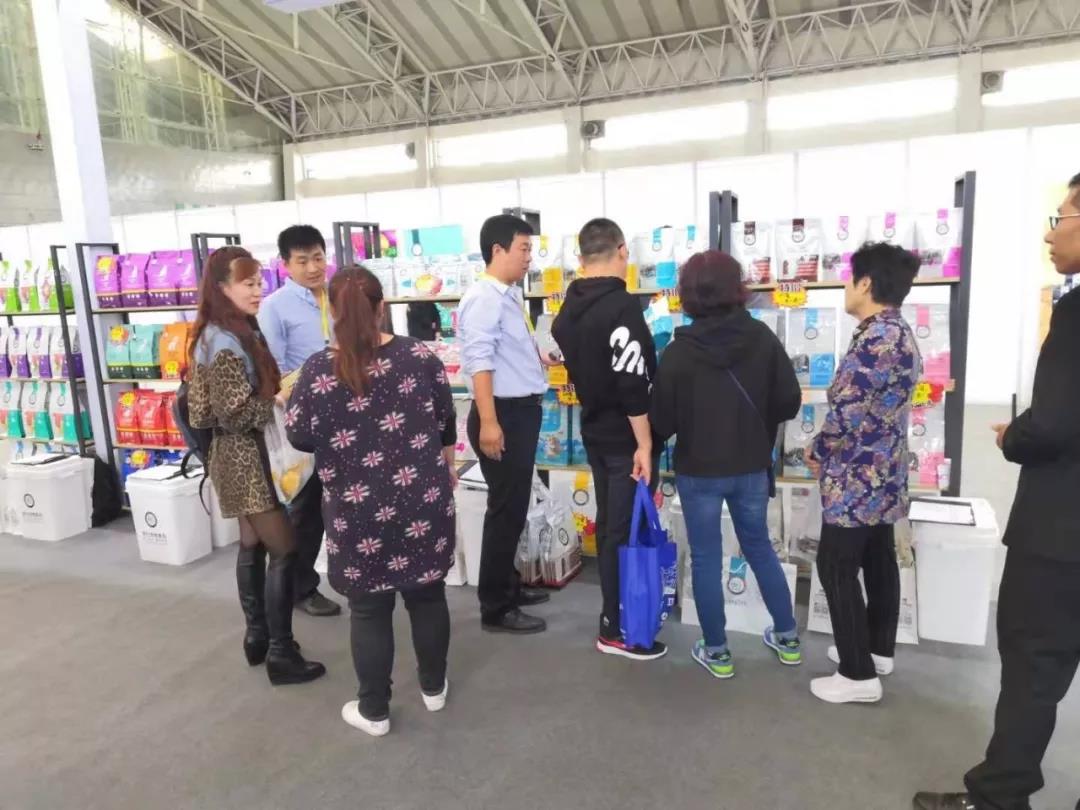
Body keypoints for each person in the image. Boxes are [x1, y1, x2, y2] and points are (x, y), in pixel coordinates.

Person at [914, 174, 1080, 809]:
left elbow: (1056, 423)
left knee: (1034, 668)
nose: (1050, 233)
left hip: (1062, 535)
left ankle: (999, 797)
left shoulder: (1076, 313)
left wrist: (1015, 435)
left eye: (1061, 217)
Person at [284, 265, 456, 737]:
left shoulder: (318, 371)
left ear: (331, 312)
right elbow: (445, 420)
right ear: (382, 308)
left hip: (357, 510)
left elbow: (299, 436)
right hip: (423, 500)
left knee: (369, 609)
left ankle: (374, 710)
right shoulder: (419, 357)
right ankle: (434, 688)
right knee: (428, 596)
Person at [650, 250, 803, 679]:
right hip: (751, 465)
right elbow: (789, 401)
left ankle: (716, 650)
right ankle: (788, 637)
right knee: (759, 547)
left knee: (705, 558)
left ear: (688, 293)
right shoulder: (762, 339)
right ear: (737, 288)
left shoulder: (678, 353)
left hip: (698, 471)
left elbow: (661, 421)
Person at [186, 246, 326, 686]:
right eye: (246, 283)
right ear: (221, 288)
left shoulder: (225, 331)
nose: (257, 291)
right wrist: (278, 398)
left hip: (235, 457)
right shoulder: (225, 341)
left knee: (252, 546)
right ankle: (281, 653)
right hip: (246, 458)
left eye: (258, 282)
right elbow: (233, 414)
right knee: (285, 550)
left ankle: (258, 637)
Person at [805, 242, 920, 705]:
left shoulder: (877, 339)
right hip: (884, 472)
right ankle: (875, 650)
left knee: (835, 565)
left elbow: (847, 410)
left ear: (866, 283)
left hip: (858, 476)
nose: (845, 287)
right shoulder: (898, 331)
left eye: (850, 278)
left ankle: (857, 674)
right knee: (877, 557)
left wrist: (817, 448)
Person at [551, 217, 665, 660]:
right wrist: (645, 444)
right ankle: (615, 628)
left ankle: (621, 615)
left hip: (595, 431)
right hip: (625, 439)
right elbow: (632, 382)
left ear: (581, 257)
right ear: (621, 251)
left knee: (612, 525)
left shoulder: (569, 309)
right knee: (622, 530)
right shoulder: (621, 307)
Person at [458, 214, 553, 634]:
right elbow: (479, 362)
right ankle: (495, 606)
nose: (529, 257)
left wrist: (538, 358)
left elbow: (504, 352)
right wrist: (489, 423)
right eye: (523, 249)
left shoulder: (509, 294)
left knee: (514, 507)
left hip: (519, 412)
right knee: (505, 510)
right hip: (502, 415)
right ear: (497, 250)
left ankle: (508, 585)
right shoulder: (485, 298)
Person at [257, 225, 340, 617]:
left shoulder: (336, 298)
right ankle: (300, 588)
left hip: (342, 413)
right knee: (305, 506)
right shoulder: (274, 307)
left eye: (318, 258)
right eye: (302, 261)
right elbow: (270, 368)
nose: (312, 268)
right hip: (302, 415)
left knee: (337, 501)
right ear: (285, 265)